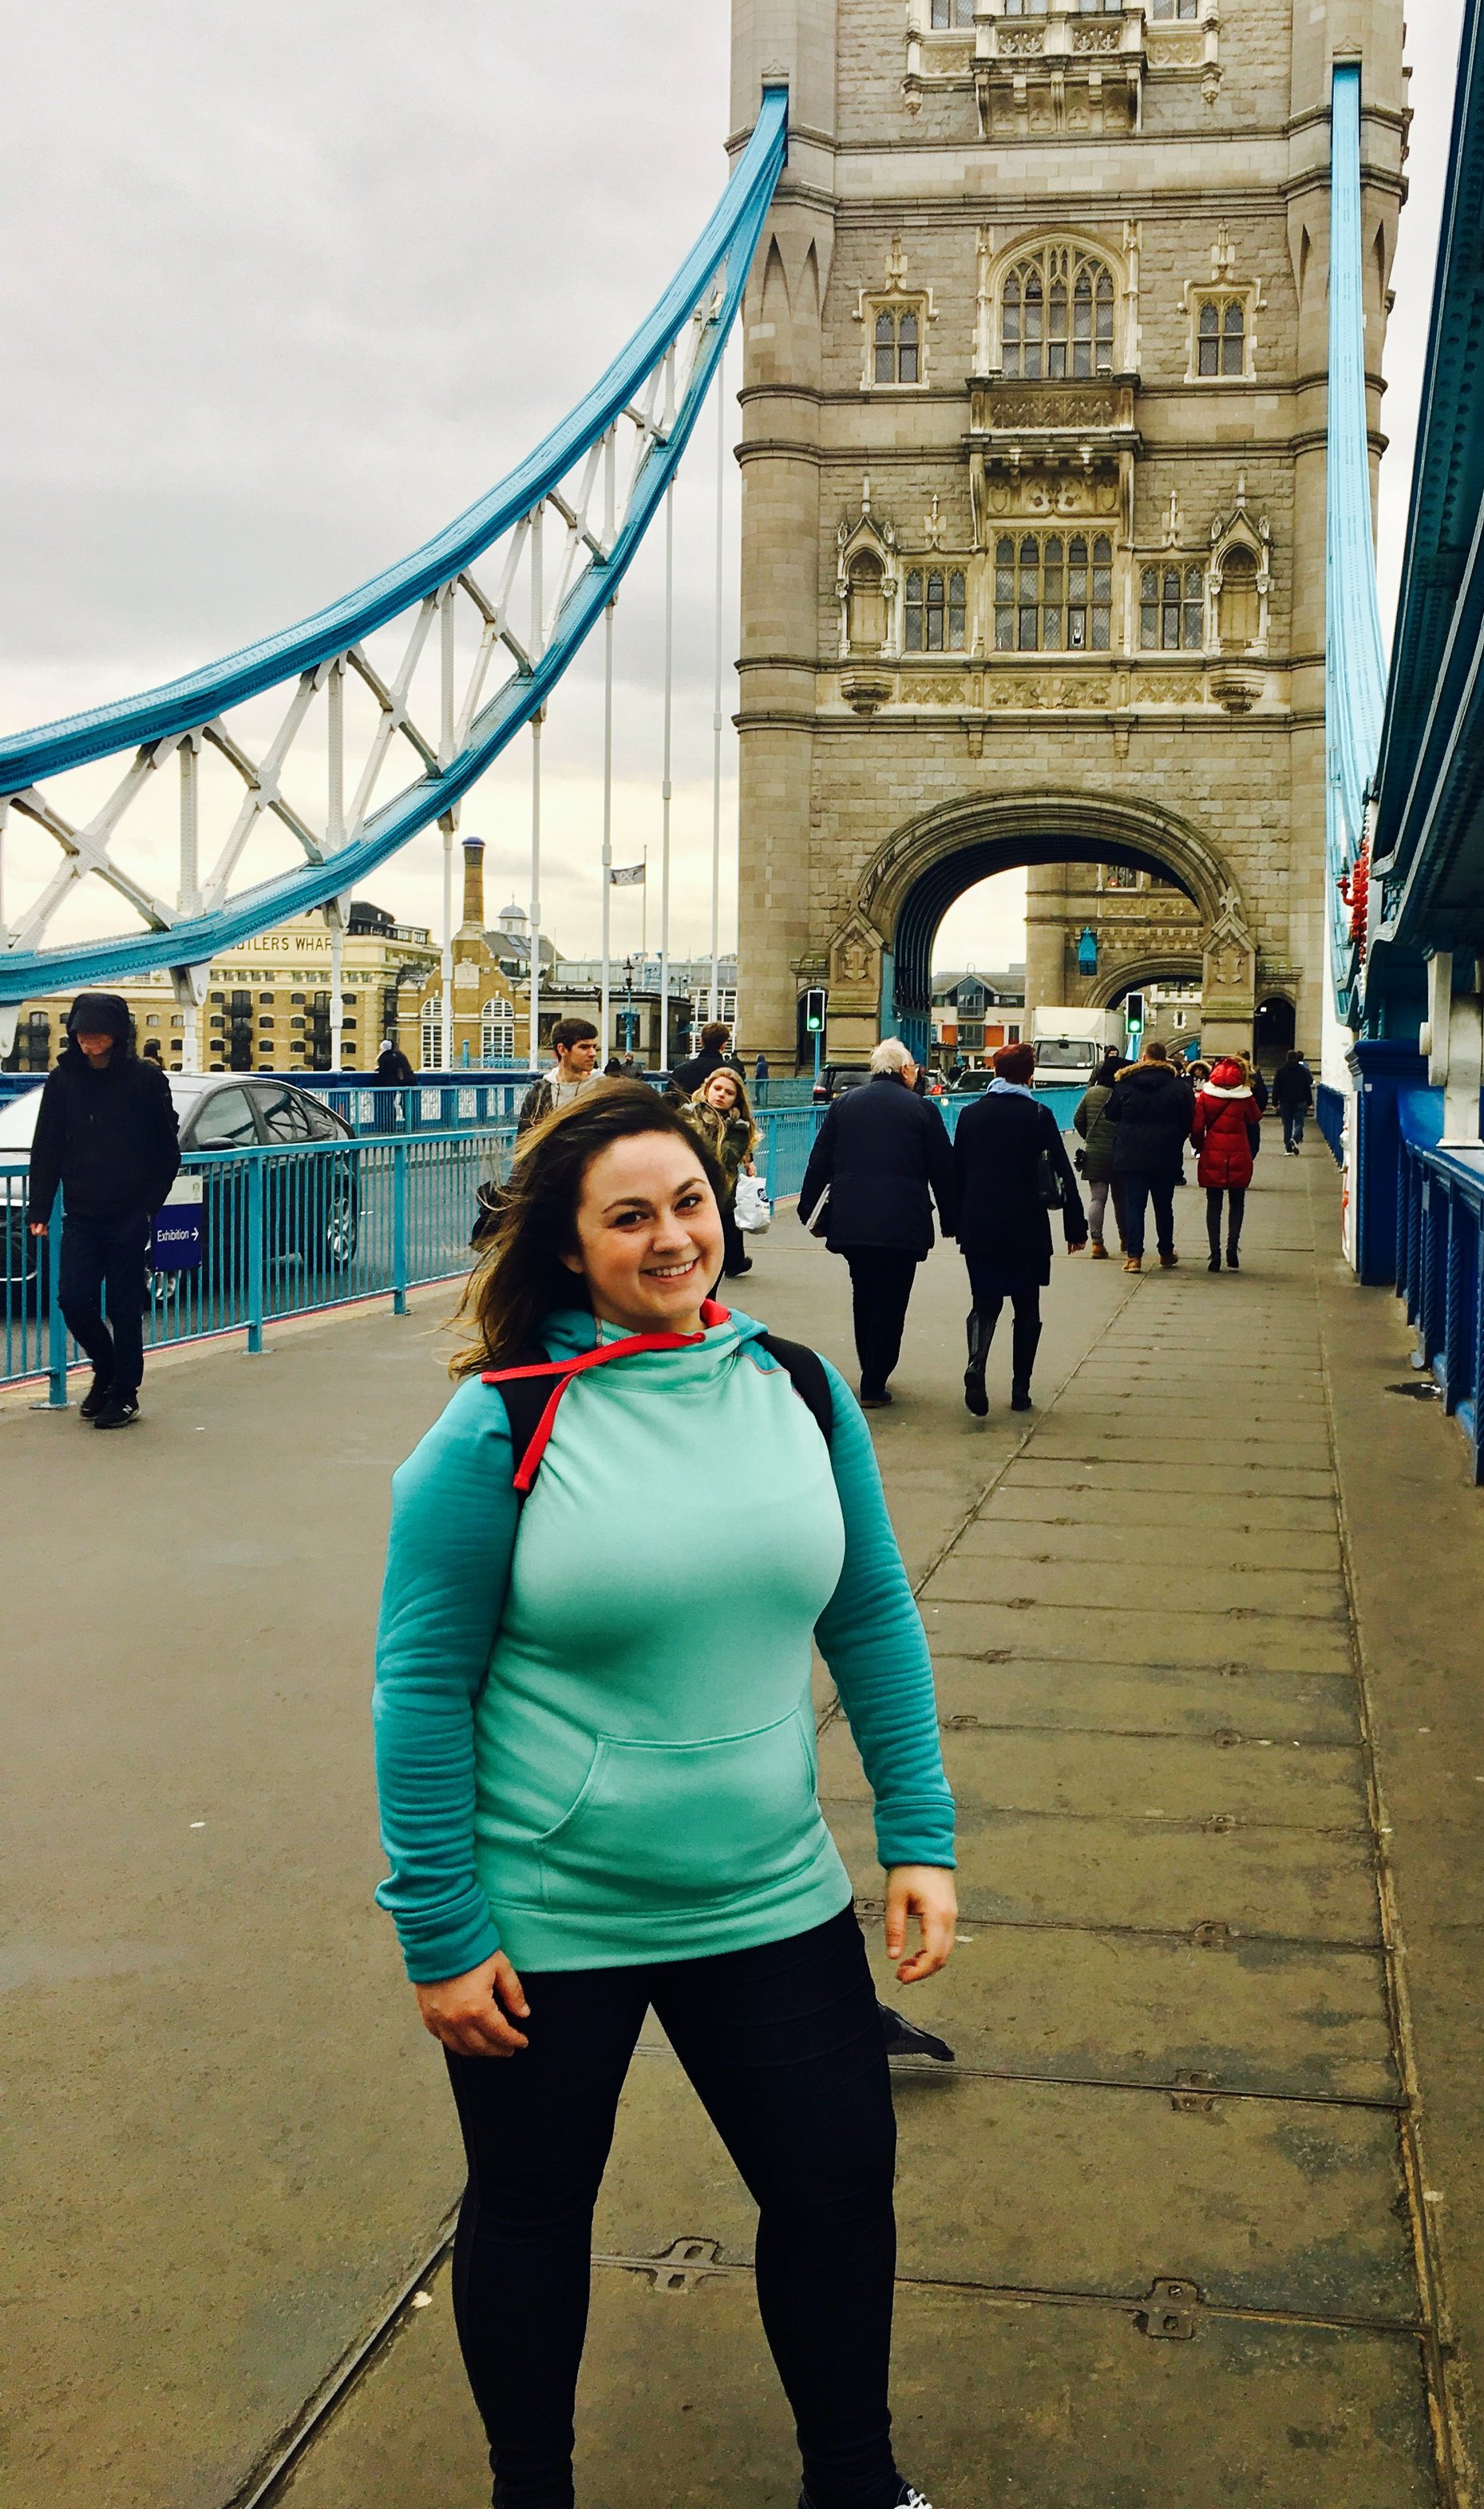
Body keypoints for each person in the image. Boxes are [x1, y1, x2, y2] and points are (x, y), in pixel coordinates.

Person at [373, 1082, 956, 2509]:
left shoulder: (800, 1389)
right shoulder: (497, 1428)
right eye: (628, 1216)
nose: (671, 1235)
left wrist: (918, 1837)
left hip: (769, 1885)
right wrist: (438, 1929)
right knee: (530, 2210)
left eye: (688, 1202)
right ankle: (534, 2491)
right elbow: (418, 1689)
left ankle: (856, 2479)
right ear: (570, 1248)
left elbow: (871, 1614)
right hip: (552, 1906)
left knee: (836, 2191)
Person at [26, 991, 181, 1431]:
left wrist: (148, 1207)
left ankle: (125, 1394)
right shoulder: (62, 1082)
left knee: (124, 1306)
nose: (88, 1043)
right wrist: (39, 1206)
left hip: (130, 1214)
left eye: (97, 1035)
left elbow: (166, 1153)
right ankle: (107, 1368)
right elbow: (47, 1148)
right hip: (81, 1213)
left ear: (117, 1036)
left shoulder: (146, 1081)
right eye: (81, 1035)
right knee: (72, 1299)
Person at [797, 1039, 956, 1408]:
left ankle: (869, 1367)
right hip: (903, 1222)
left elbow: (819, 1159)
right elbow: (943, 1169)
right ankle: (875, 1378)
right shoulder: (922, 1110)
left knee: (863, 1293)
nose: (917, 1074)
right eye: (915, 1068)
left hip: (852, 1219)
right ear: (904, 1070)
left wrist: (808, 1210)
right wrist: (952, 1218)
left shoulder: (844, 1105)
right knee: (892, 1298)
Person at [951, 1043, 1086, 1416]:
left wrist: (954, 1222)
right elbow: (1062, 1171)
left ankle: (976, 1364)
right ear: (1030, 1075)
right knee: (1027, 1307)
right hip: (1026, 1226)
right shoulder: (1039, 1115)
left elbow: (957, 1173)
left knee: (985, 1302)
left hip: (980, 1225)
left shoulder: (970, 1116)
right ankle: (1020, 1390)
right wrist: (1075, 1225)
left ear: (995, 1072)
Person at [1105, 1039, 1194, 1274]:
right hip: (1166, 1154)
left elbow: (1111, 1114)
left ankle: (1134, 1257)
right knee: (1164, 1205)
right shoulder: (1178, 1087)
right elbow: (1188, 1119)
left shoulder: (1124, 1085)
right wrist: (1176, 1138)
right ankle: (1166, 1252)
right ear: (1164, 1060)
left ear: (1144, 1058)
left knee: (1135, 1206)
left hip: (1132, 1154)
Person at [685, 1062, 760, 1279]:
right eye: (717, 1089)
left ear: (735, 1099)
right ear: (707, 1089)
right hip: (683, 1198)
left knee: (710, 1273)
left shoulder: (738, 1127)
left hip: (719, 1200)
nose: (721, 1095)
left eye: (729, 1093)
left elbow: (723, 1159)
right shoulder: (687, 1115)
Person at [1191, 1057, 1263, 1271]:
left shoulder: (1205, 1096)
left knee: (1214, 1205)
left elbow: (1196, 1127)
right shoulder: (1245, 1096)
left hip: (1212, 1152)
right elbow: (1255, 1117)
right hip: (1239, 1152)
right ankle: (1232, 1247)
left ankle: (1214, 1254)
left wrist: (1200, 1146)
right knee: (1237, 1202)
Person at [1069, 1055, 1124, 1258]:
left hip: (1094, 1153)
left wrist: (1090, 1138)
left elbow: (1077, 1119)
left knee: (1097, 1199)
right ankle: (1125, 1239)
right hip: (1120, 1153)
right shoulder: (1123, 1093)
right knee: (1121, 1199)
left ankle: (1097, 1243)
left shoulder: (1092, 1093)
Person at [516, 1021, 605, 1138]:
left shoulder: (602, 1089)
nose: (593, 1053)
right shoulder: (539, 1094)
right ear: (562, 1050)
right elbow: (524, 1141)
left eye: (594, 1047)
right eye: (584, 1047)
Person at [669, 1019, 737, 1098]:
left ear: (701, 1041)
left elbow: (669, 1102)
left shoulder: (681, 1071)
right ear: (724, 1045)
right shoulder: (733, 1074)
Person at [1271, 1049, 1312, 1155]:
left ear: (1287, 1058)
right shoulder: (1303, 1070)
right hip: (1300, 1100)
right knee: (1299, 1123)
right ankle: (1294, 1139)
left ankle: (1288, 1149)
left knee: (1287, 1124)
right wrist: (1309, 1101)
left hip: (1285, 1101)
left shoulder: (1281, 1070)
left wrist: (1274, 1102)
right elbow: (1306, 1086)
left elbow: (1276, 1087)